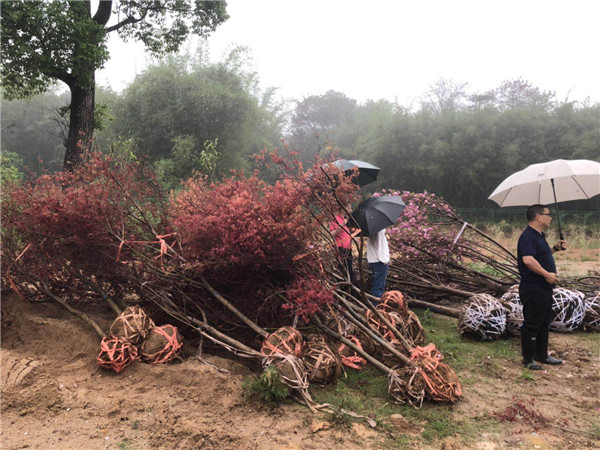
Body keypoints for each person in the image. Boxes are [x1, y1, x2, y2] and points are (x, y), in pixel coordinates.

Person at [517, 204, 567, 370]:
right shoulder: (528, 237)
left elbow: (540, 256)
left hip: (543, 288)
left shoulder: (539, 236)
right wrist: (547, 274)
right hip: (533, 287)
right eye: (548, 214)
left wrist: (555, 249)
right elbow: (528, 260)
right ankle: (528, 359)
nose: (550, 217)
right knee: (532, 322)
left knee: (544, 321)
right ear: (538, 216)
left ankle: (542, 355)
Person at [330, 214, 356, 284]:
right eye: (348, 206)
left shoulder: (346, 219)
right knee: (343, 272)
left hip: (348, 249)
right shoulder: (336, 219)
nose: (350, 208)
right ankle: (344, 288)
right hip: (342, 249)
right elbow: (332, 234)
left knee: (350, 272)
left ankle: (350, 289)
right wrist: (342, 224)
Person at [366, 229, 389, 300]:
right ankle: (376, 308)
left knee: (375, 286)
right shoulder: (379, 229)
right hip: (379, 261)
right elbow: (380, 246)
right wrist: (384, 259)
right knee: (378, 289)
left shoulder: (371, 229)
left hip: (373, 260)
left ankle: (372, 307)